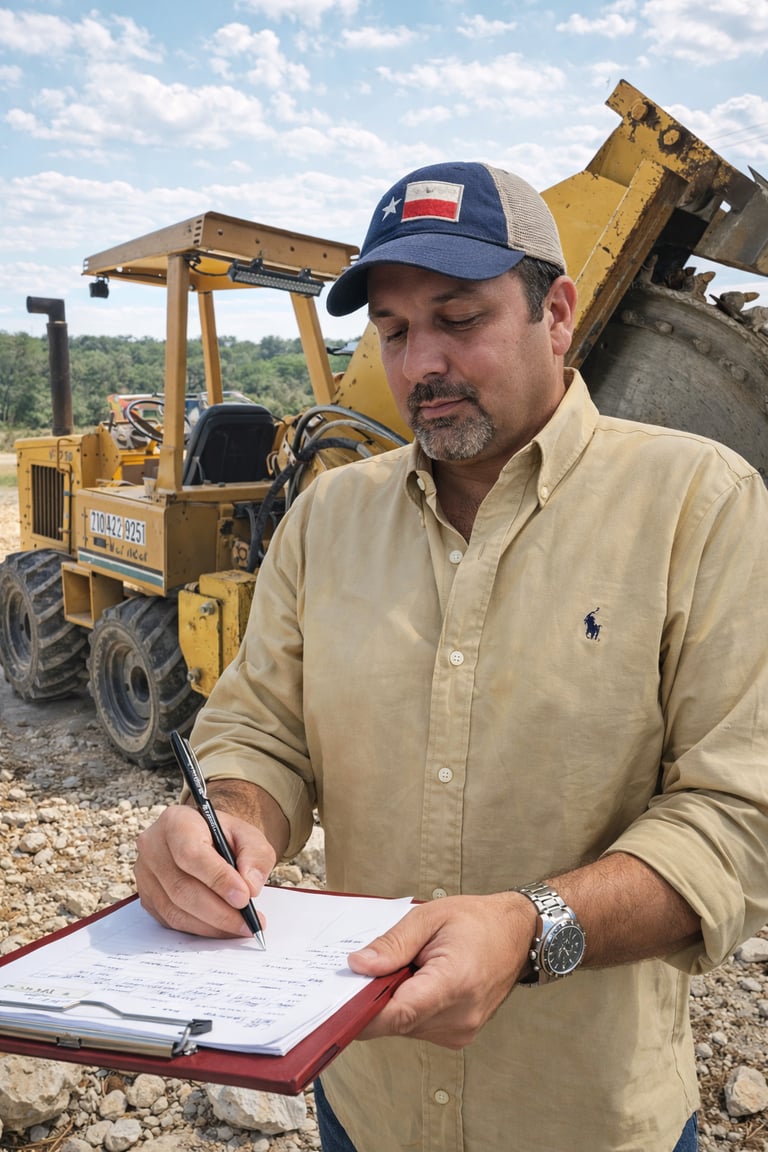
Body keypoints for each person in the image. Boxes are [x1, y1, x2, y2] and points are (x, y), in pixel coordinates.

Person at [135, 162, 768, 1152]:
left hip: (588, 1119)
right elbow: (264, 730)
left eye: (459, 317)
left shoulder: (701, 505)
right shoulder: (328, 516)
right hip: (367, 1103)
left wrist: (531, 928)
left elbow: (738, 816)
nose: (420, 359)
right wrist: (227, 824)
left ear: (555, 313)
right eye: (393, 331)